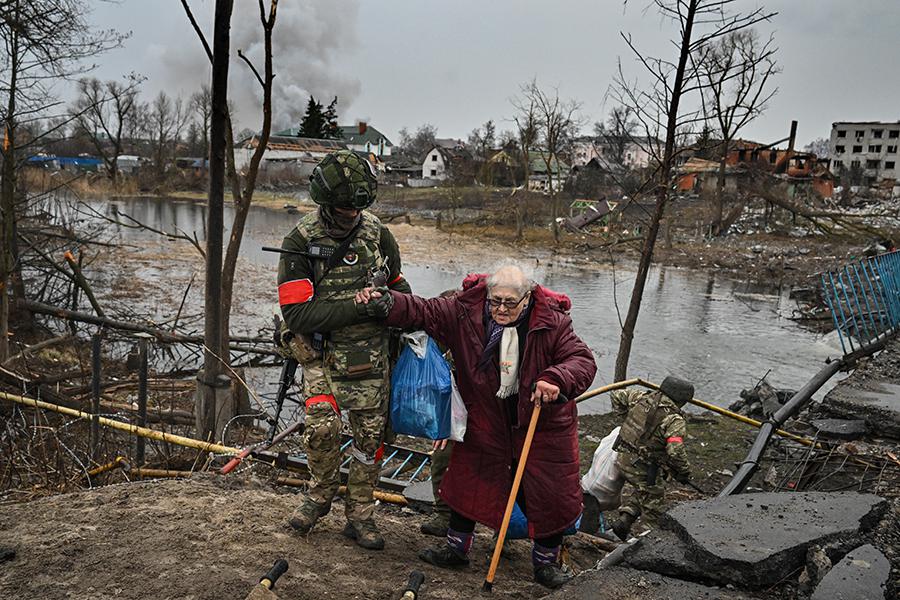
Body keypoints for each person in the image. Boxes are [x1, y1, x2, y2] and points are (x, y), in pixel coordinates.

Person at [356, 264, 596, 589]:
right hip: (487, 417)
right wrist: (390, 303)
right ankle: (456, 549)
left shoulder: (551, 321)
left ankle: (545, 565)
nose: (500, 309)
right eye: (495, 301)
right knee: (468, 482)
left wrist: (557, 379)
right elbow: (424, 311)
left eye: (510, 303)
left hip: (541, 425)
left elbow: (581, 360)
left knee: (546, 493)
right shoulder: (464, 310)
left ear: (527, 298)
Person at [278, 150, 411, 551]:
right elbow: (297, 314)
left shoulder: (378, 235)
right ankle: (318, 498)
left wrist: (389, 300)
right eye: (343, 207)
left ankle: (361, 514)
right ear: (324, 201)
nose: (351, 214)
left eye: (358, 207)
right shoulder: (299, 241)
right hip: (320, 353)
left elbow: (403, 288)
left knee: (370, 439)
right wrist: (356, 304)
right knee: (322, 431)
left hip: (370, 355)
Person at [605, 377, 694, 541]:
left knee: (646, 488)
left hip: (621, 457)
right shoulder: (674, 419)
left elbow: (616, 395)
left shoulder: (641, 398)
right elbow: (676, 451)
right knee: (654, 501)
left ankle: (625, 521)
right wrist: (684, 472)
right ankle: (644, 542)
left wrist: (625, 418)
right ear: (682, 399)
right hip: (641, 466)